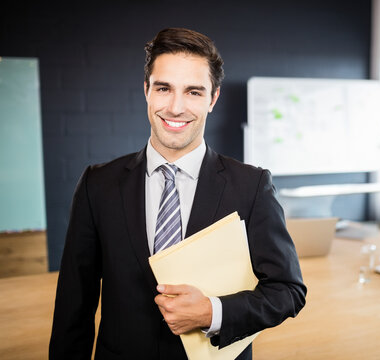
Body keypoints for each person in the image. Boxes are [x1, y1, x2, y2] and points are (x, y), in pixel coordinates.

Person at [49, 27, 306, 359]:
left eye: (194, 92)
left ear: (213, 99)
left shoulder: (252, 186)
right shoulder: (97, 184)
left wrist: (214, 313)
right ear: (146, 91)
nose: (175, 107)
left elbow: (288, 291)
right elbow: (74, 305)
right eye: (164, 88)